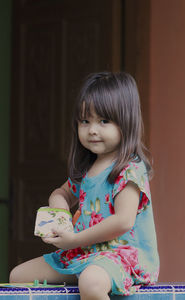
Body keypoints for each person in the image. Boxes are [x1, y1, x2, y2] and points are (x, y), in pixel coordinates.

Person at [10, 72, 159, 299]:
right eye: (85, 121)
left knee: (91, 282)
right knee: (18, 276)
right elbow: (61, 193)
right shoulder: (88, 168)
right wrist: (60, 217)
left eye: (104, 121)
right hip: (84, 254)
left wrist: (74, 240)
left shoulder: (129, 168)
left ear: (126, 121)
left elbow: (124, 220)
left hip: (122, 257)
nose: (92, 130)